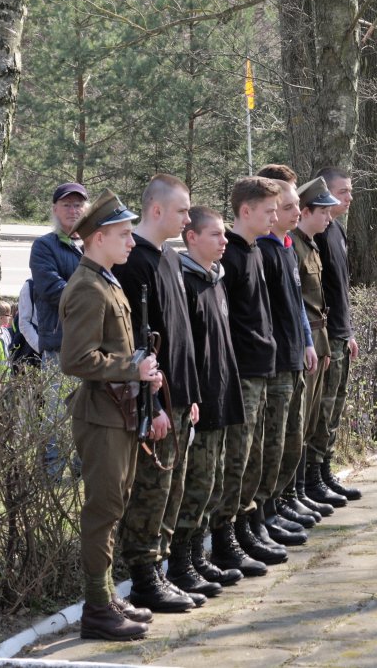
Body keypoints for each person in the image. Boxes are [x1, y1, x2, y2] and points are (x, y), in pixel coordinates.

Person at [58, 189, 156, 641]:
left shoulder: (107, 280)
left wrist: (142, 372)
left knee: (114, 505)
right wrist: (132, 369)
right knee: (102, 510)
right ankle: (97, 609)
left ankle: (106, 597)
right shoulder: (88, 286)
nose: (132, 242)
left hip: (118, 410)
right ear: (98, 238)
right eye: (123, 234)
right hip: (100, 415)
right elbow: (76, 359)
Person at [112, 174, 203, 613]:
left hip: (180, 397)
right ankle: (144, 577)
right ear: (157, 210)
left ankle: (160, 570)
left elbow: (181, 333)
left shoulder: (169, 257)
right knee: (151, 489)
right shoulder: (135, 263)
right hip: (157, 402)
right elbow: (137, 344)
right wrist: (151, 405)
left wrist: (192, 394)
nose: (188, 219)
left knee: (171, 488)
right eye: (182, 211)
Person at [209, 176, 286, 576]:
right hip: (242, 374)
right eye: (268, 210)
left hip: (261, 368)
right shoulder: (232, 257)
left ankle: (247, 527)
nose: (274, 216)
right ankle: (225, 540)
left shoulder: (256, 251)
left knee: (254, 458)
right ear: (245, 211)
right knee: (236, 460)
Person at [170, 206, 247, 595]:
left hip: (221, 392)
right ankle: (180, 563)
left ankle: (198, 557)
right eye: (215, 234)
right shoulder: (184, 281)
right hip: (200, 398)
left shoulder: (216, 279)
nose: (224, 241)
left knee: (213, 483)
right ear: (192, 238)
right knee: (196, 485)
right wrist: (193, 395)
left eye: (224, 234)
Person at [255, 176, 323, 547]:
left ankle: (279, 503)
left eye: (297, 205)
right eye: (288, 207)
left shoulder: (285, 248)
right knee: (273, 443)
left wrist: (308, 342)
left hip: (295, 356)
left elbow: (297, 304)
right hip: (277, 361)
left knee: (292, 440)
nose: (297, 211)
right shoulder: (265, 252)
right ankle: (265, 514)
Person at [289, 177, 344, 520]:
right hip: (307, 341)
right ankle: (295, 492)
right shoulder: (293, 246)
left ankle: (306, 487)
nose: (329, 216)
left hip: (319, 339)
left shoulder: (310, 245)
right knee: (301, 424)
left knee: (312, 422)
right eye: (323, 211)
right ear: (306, 211)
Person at [309, 167, 362, 502]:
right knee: (321, 411)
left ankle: (325, 471)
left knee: (334, 409)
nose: (349, 198)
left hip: (341, 335)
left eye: (349, 191)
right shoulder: (318, 234)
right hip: (325, 338)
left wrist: (349, 331)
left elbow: (341, 289)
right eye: (343, 192)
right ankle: (313, 477)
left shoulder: (337, 230)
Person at [30, 183, 88, 475]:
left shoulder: (95, 243)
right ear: (54, 209)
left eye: (78, 205)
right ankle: (53, 475)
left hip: (94, 344)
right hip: (59, 344)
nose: (73, 210)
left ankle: (81, 472)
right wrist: (94, 297)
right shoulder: (44, 246)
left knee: (88, 411)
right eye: (66, 205)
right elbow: (52, 289)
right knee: (56, 413)